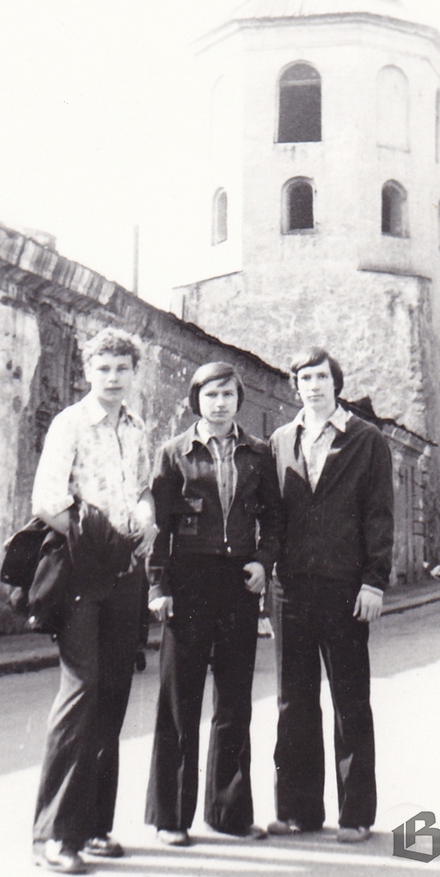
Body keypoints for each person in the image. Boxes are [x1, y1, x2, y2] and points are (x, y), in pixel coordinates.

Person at [31, 327, 157, 873]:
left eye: (122, 368)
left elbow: (143, 489)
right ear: (88, 371)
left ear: (134, 373)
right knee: (81, 690)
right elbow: (47, 502)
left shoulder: (137, 428)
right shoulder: (70, 423)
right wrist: (94, 545)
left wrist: (147, 518)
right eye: (103, 368)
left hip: (127, 577)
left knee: (113, 696)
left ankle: (94, 827)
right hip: (83, 576)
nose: (112, 378)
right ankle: (53, 836)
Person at [145, 361, 282, 846]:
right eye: (210, 395)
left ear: (238, 400)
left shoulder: (258, 453)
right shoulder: (174, 453)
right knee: (179, 701)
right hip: (188, 582)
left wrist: (263, 561)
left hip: (238, 584)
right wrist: (158, 586)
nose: (219, 403)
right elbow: (158, 527)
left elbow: (275, 520)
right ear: (196, 401)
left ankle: (229, 813)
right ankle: (170, 818)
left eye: (227, 394)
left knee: (234, 700)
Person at [267, 347, 394, 844]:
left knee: (349, 701)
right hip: (291, 589)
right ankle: (298, 811)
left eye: (321, 377)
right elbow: (273, 516)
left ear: (336, 383)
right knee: (293, 702)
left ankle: (356, 815)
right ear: (295, 385)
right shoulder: (281, 440)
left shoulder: (366, 439)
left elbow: (379, 514)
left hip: (345, 587)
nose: (314, 386)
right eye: (305, 378)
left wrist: (374, 581)